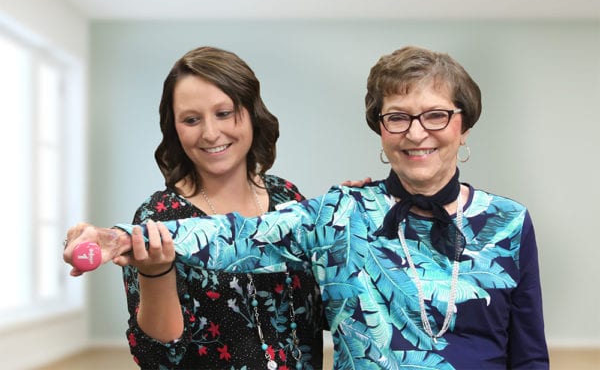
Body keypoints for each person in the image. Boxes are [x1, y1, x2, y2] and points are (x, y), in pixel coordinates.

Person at [65, 46, 549, 369]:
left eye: (436, 115)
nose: (416, 132)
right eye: (397, 117)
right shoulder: (339, 213)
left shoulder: (509, 221)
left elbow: (528, 354)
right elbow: (237, 235)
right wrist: (122, 239)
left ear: (464, 126)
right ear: (380, 130)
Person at [66, 46, 326, 369]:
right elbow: (159, 357)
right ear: (174, 127)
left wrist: (353, 213)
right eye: (191, 119)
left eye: (224, 112)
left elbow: (324, 306)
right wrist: (155, 272)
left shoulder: (287, 197)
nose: (211, 133)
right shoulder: (157, 218)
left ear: (251, 111)